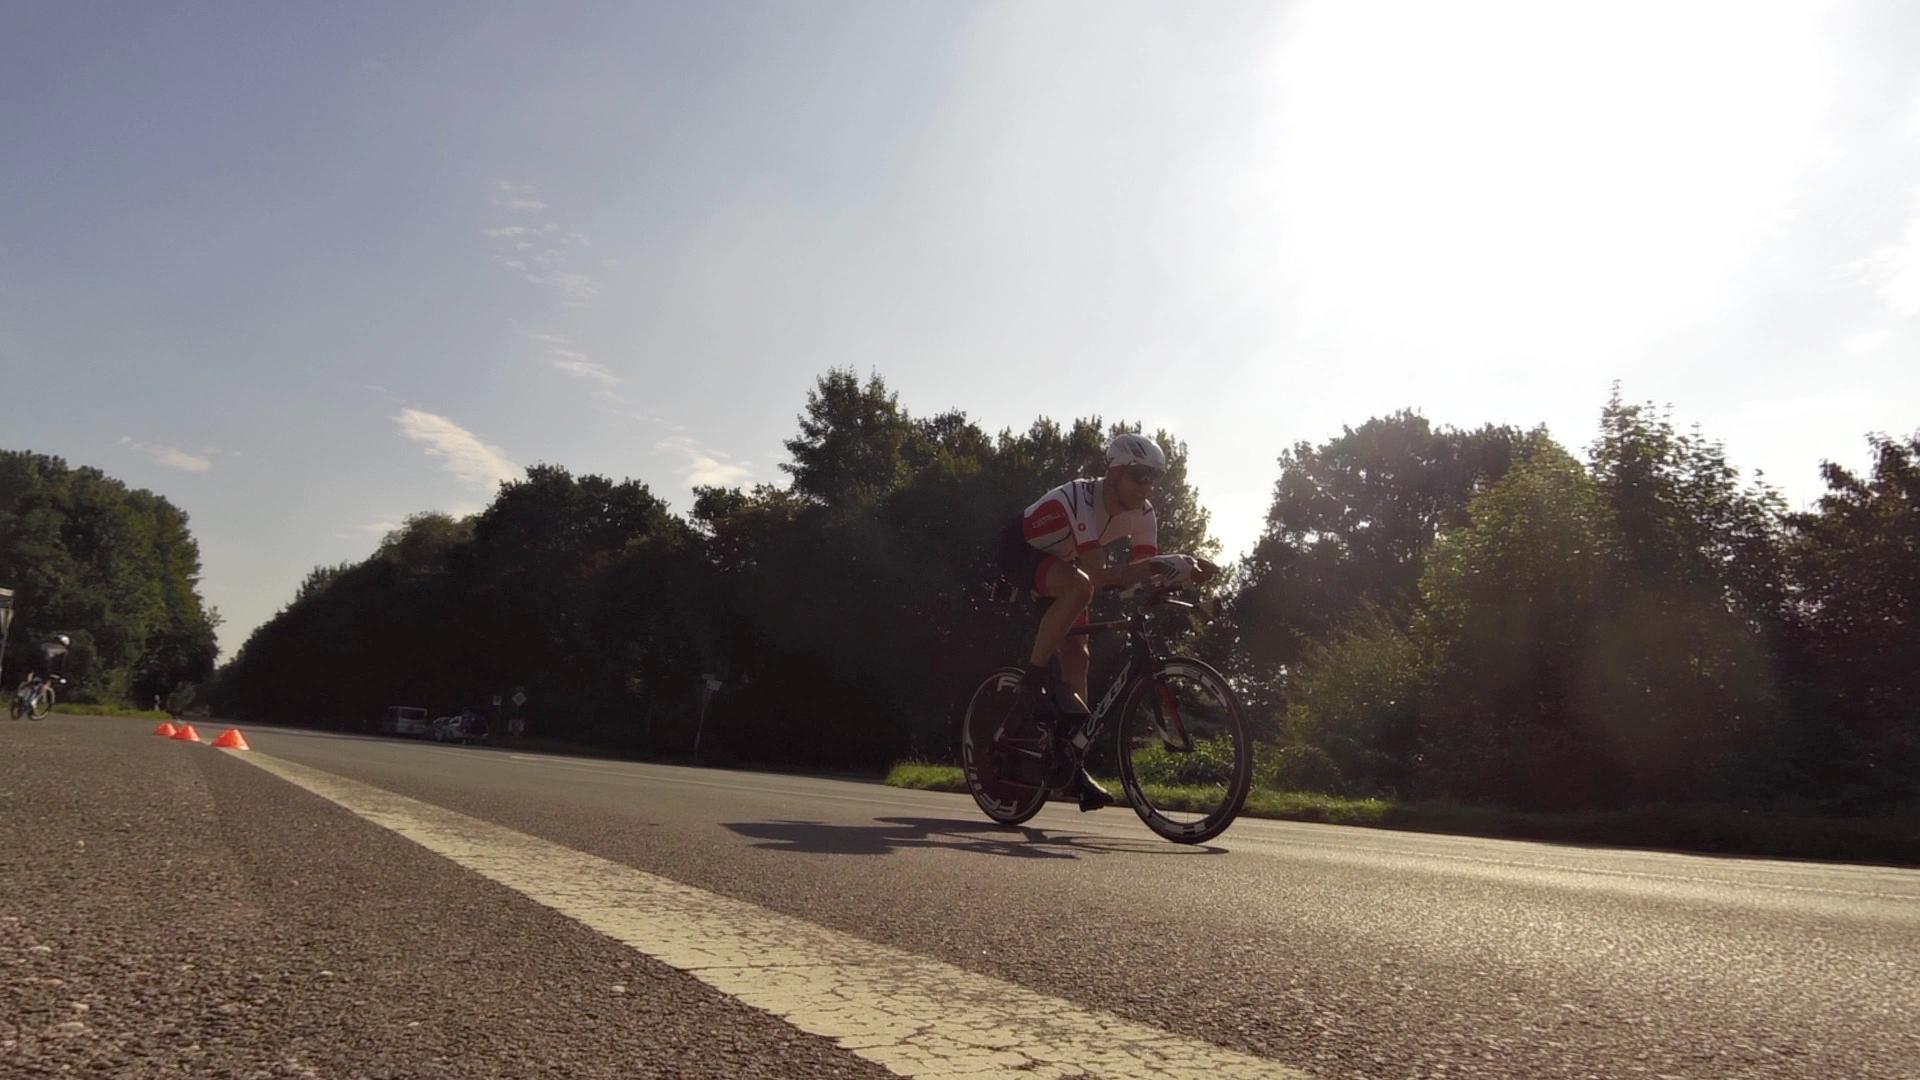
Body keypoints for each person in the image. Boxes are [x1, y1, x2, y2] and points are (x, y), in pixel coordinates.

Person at [995, 433, 1215, 810]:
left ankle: (1071, 763)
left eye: (1154, 478)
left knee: (1078, 656)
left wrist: (1181, 575)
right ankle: (1032, 678)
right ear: (1114, 474)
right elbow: (1097, 574)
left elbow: (1141, 574)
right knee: (1081, 587)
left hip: (1065, 565)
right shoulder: (1080, 497)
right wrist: (1159, 565)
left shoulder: (1144, 514)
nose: (1147, 486)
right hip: (1020, 551)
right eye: (1140, 476)